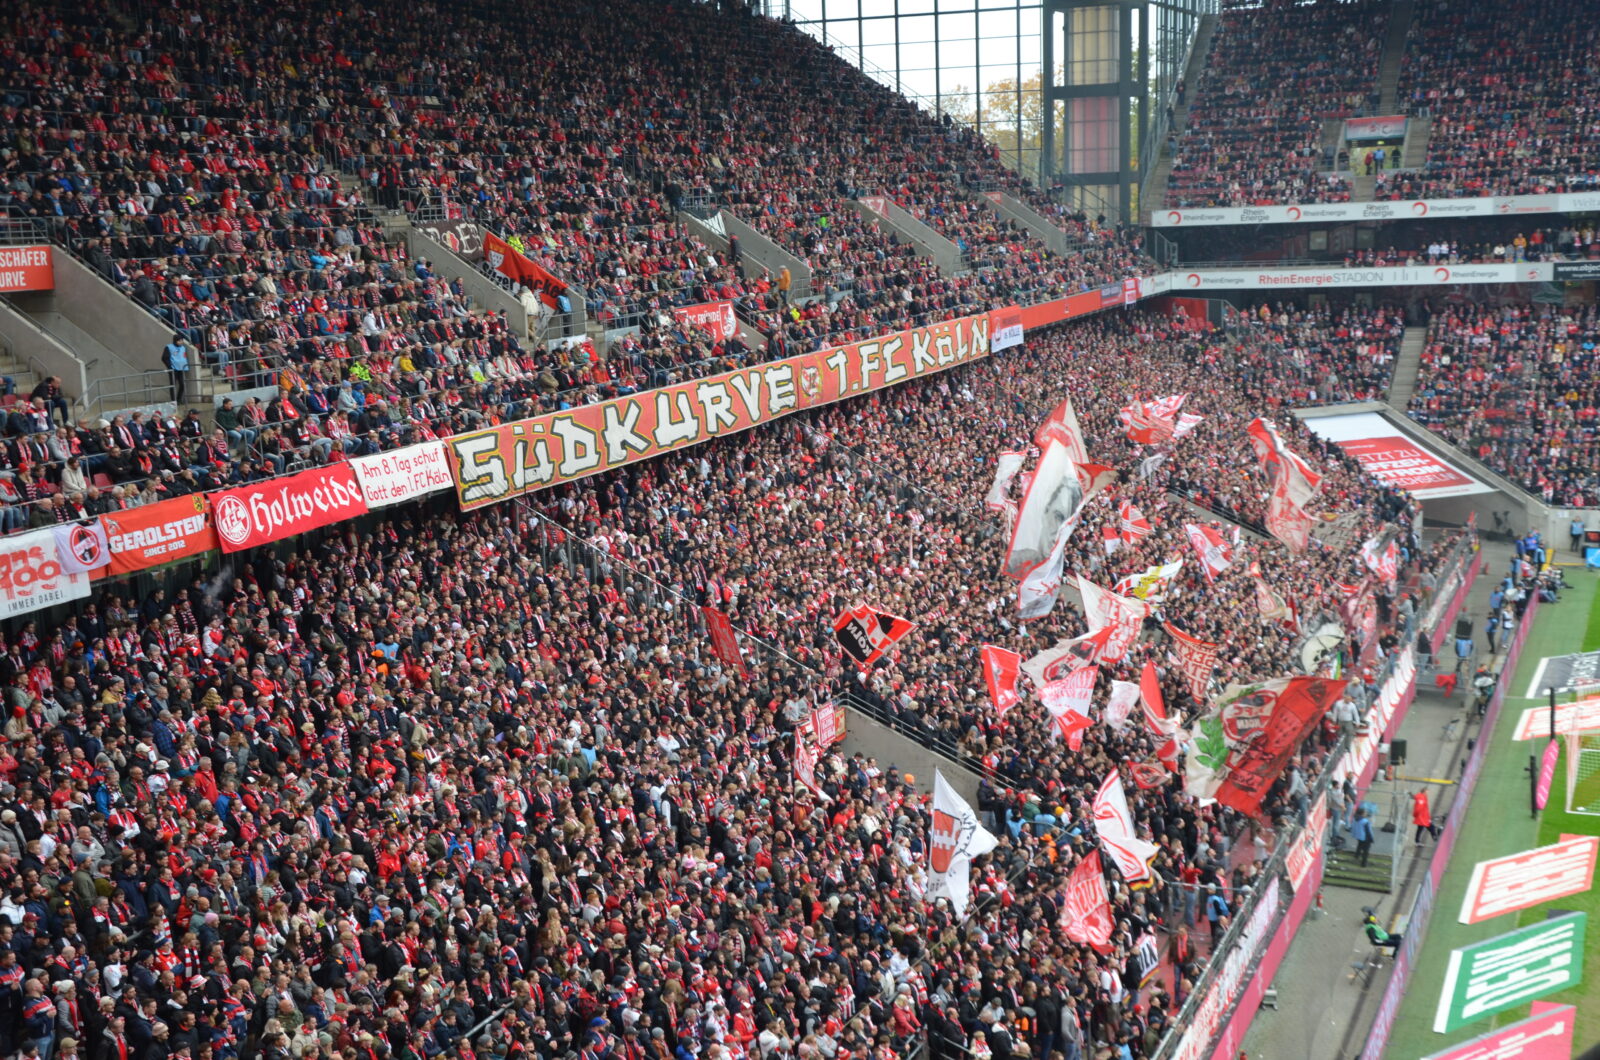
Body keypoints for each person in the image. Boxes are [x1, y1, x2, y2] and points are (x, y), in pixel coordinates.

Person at [160, 335, 189, 404]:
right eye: (179, 341)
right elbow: (164, 358)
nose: (181, 342)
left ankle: (179, 399)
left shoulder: (183, 348)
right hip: (173, 369)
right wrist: (170, 367)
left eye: (182, 340)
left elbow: (183, 356)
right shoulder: (169, 347)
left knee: (182, 384)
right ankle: (174, 401)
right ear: (175, 341)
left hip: (181, 368)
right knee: (173, 385)